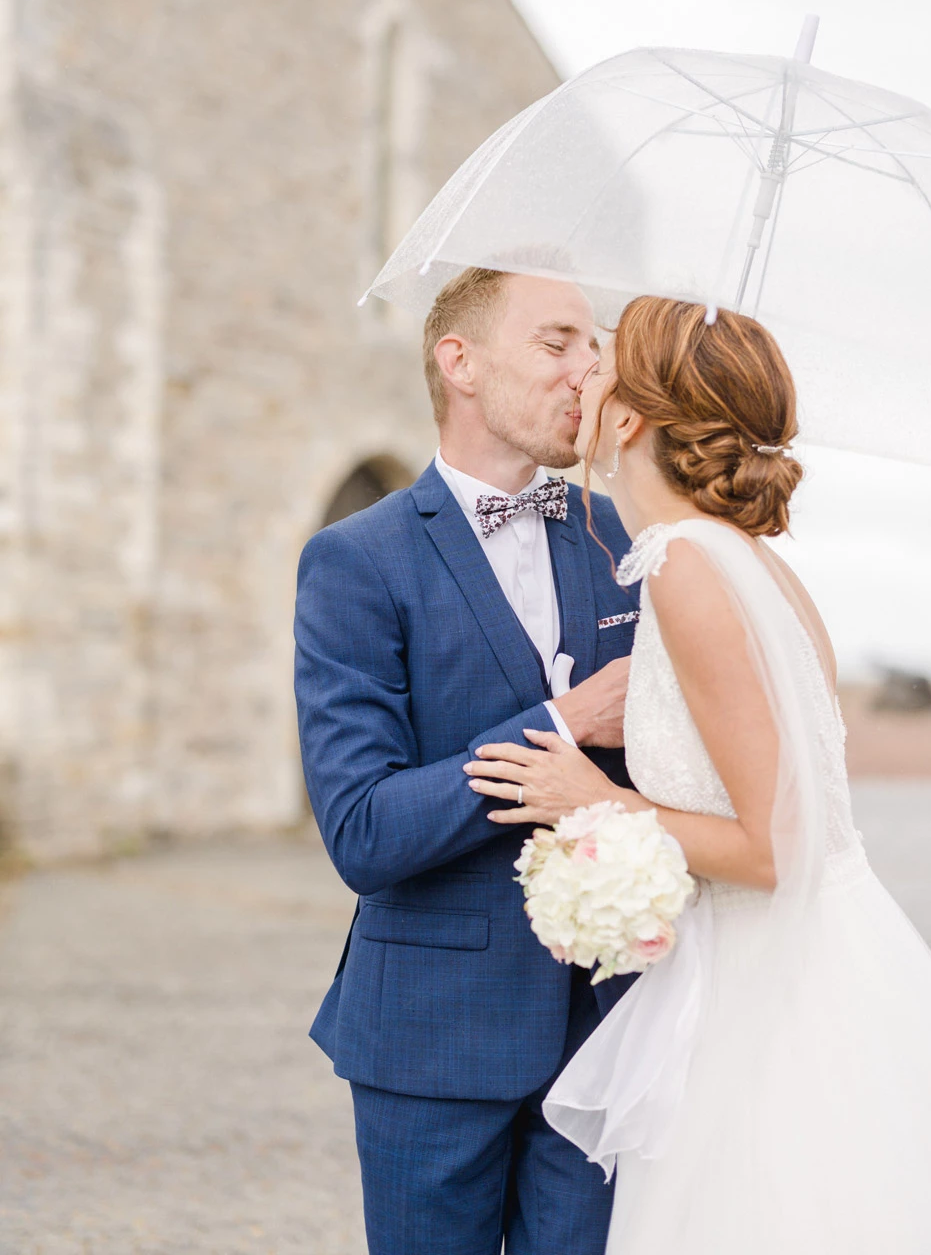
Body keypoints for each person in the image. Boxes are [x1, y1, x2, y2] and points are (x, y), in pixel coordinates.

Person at [465, 294, 931, 1253]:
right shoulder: (751, 564)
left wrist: (599, 801)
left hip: (768, 992)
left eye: (601, 362)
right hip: (800, 957)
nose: (581, 373)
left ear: (629, 419)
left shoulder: (688, 566)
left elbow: (775, 847)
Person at [294, 268, 641, 1255]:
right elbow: (363, 830)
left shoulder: (628, 540)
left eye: (594, 346)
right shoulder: (356, 560)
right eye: (557, 342)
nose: (588, 370)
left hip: (609, 1035)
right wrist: (563, 723)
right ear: (462, 363)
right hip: (430, 1040)